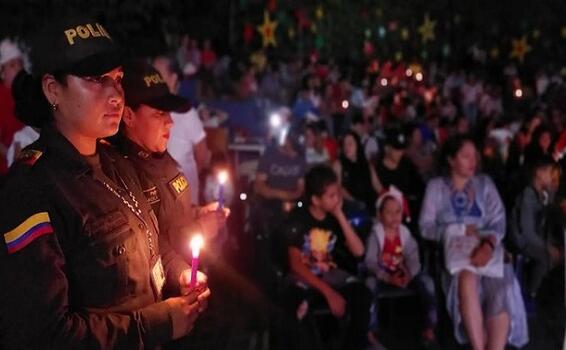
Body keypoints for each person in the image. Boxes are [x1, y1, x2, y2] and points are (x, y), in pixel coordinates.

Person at [0, 17, 209, 348]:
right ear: (53, 89)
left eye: (118, 78)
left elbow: (149, 240)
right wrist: (158, 324)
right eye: (96, 79)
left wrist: (179, 272)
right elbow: (45, 334)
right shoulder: (32, 190)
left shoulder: (117, 162)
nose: (116, 94)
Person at [419, 135, 528, 350]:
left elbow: (498, 221)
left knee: (501, 285)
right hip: (456, 255)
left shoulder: (484, 184)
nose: (472, 162)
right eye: (465, 156)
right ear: (451, 160)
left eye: (474, 156)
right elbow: (425, 227)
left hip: (486, 248)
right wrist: (456, 230)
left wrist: (488, 244)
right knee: (468, 278)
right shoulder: (436, 187)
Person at [115, 59, 228, 263]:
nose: (170, 122)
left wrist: (197, 213)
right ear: (128, 116)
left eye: (168, 112)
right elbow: (147, 247)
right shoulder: (121, 175)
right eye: (160, 113)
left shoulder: (160, 157)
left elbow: (171, 216)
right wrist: (200, 228)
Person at [285, 165, 371, 350]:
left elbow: (359, 252)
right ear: (315, 199)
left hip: (330, 274)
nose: (337, 199)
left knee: (362, 295)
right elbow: (296, 265)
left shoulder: (335, 215)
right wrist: (329, 293)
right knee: (295, 303)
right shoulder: (298, 218)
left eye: (337, 194)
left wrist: (339, 214)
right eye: (331, 196)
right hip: (304, 277)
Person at [365, 187, 437, 345]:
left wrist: (409, 274)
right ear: (379, 215)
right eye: (389, 213)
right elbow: (370, 261)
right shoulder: (376, 234)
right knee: (369, 285)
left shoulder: (405, 233)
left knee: (428, 282)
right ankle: (371, 331)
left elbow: (413, 257)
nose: (394, 217)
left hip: (403, 273)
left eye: (397, 212)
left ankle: (429, 327)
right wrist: (387, 278)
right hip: (382, 274)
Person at [152, 55, 209, 205]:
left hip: (184, 198)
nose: (152, 79)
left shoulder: (187, 113)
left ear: (173, 78)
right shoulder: (146, 111)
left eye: (158, 74)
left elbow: (202, 155)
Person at [509, 157, 562, 297]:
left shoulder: (542, 194)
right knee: (547, 257)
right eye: (550, 173)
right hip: (522, 240)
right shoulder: (528, 196)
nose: (552, 177)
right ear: (539, 172)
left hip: (535, 238)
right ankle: (531, 293)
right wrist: (547, 247)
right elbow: (527, 233)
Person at [374, 127, 424, 223]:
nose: (400, 153)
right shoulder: (377, 169)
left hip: (410, 213)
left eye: (402, 149)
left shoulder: (407, 164)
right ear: (387, 148)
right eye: (397, 150)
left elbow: (419, 186)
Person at [333, 131, 382, 215]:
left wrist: (387, 196)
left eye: (350, 144)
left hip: (370, 203)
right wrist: (354, 202)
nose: (346, 147)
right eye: (344, 144)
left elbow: (377, 186)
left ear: (357, 145)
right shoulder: (339, 164)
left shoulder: (367, 165)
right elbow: (338, 187)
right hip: (350, 205)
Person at [0, 38, 25, 176]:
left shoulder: (25, 94)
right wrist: (14, 156)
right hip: (6, 173)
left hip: (27, 168)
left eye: (19, 64)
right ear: (2, 72)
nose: (18, 68)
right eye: (12, 65)